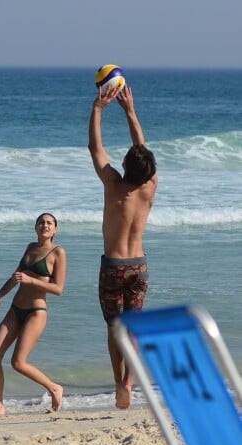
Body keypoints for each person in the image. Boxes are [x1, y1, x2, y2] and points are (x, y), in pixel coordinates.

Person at [88, 86, 158, 410]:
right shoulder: (150, 187)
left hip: (113, 267)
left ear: (126, 166)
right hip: (139, 266)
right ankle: (130, 380)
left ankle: (119, 383)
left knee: (114, 329)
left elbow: (95, 147)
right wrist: (130, 110)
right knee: (134, 328)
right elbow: (141, 148)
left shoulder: (114, 185)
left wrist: (99, 108)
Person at [0, 213, 67, 417]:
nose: (45, 225)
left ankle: (54, 388)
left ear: (55, 229)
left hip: (36, 312)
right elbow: (16, 277)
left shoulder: (58, 253)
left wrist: (31, 281)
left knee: (18, 362)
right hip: (15, 309)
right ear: (36, 227)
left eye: (49, 223)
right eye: (41, 222)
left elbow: (58, 289)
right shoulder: (30, 247)